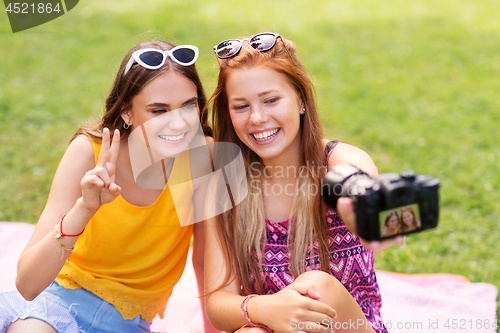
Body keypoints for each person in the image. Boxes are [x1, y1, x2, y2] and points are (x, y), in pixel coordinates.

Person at [0, 40, 216, 333]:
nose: (178, 124)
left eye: (188, 106)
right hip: (55, 305)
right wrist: (84, 208)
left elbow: (205, 261)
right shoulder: (87, 152)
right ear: (127, 112)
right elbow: (26, 284)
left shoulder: (206, 158)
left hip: (131, 324)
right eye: (158, 110)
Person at [204, 32, 401, 333]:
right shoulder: (226, 186)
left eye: (271, 100)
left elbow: (365, 194)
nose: (257, 118)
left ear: (300, 100)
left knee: (315, 286)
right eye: (241, 106)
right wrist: (268, 308)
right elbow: (218, 303)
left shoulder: (338, 163)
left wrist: (367, 216)